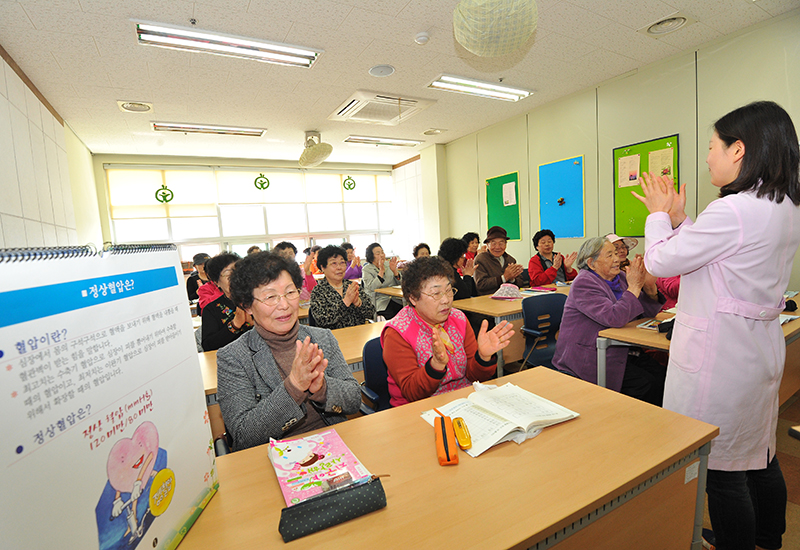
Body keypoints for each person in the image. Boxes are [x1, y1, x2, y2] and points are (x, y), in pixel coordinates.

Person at [632, 101, 800, 550]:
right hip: (755, 349)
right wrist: (681, 220)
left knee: (723, 470)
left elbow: (662, 259)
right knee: (760, 454)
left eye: (712, 146)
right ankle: (769, 538)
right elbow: (716, 253)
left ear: (739, 150)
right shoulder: (783, 204)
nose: (708, 157)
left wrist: (655, 215)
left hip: (721, 356)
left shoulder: (735, 210)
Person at [216, 252, 362, 450]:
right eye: (270, 297)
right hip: (274, 455)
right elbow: (244, 435)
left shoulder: (322, 337)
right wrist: (294, 386)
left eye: (290, 293)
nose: (284, 305)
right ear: (247, 306)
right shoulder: (233, 357)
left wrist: (322, 389)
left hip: (333, 443)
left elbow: (354, 400)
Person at [381, 256, 514, 406]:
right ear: (413, 298)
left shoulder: (459, 318)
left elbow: (474, 376)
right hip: (419, 408)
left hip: (463, 399)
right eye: (436, 294)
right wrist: (436, 365)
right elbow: (412, 393)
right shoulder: (398, 332)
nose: (446, 300)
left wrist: (483, 357)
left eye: (449, 291)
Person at [551, 237, 665, 405]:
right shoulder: (584, 283)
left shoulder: (620, 277)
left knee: (662, 375)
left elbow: (645, 314)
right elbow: (614, 317)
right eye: (610, 255)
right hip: (591, 353)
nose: (617, 259)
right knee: (645, 384)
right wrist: (634, 287)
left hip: (623, 348)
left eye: (616, 253)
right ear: (591, 263)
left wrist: (649, 290)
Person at [310, 245, 375, 330]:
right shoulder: (318, 291)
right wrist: (345, 302)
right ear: (323, 267)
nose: (339, 268)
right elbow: (323, 320)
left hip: (359, 334)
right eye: (334, 263)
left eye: (342, 263)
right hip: (333, 338)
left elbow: (370, 313)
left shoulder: (353, 286)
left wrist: (358, 303)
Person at [201, 252, 252, 351]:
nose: (235, 278)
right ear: (217, 282)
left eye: (238, 272)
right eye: (229, 274)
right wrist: (235, 324)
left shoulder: (256, 299)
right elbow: (208, 346)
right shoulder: (211, 309)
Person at [473, 226, 526, 295]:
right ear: (487, 245)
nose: (497, 247)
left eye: (501, 243)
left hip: (509, 298)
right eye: (493, 243)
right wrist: (504, 277)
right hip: (488, 300)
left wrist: (512, 279)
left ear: (506, 244)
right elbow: (481, 285)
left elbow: (520, 283)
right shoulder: (480, 259)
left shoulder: (510, 259)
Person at [362, 242, 403, 320]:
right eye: (378, 254)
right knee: (394, 315)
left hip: (393, 298)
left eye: (382, 252)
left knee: (407, 310)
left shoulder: (388, 264)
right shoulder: (366, 269)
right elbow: (372, 287)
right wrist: (381, 271)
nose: (381, 255)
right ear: (371, 256)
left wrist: (395, 272)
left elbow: (400, 284)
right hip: (378, 301)